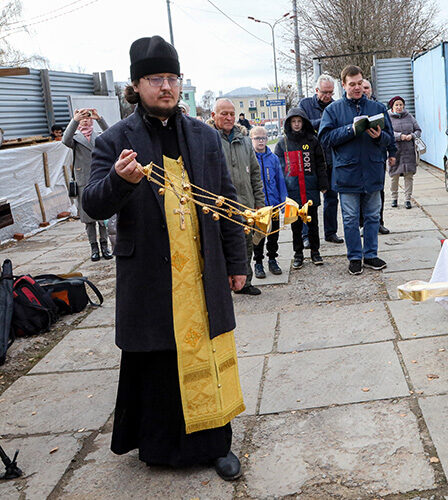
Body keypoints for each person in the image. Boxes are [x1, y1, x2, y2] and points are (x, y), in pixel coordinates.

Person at [82, 35, 245, 480]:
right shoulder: (115, 140)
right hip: (151, 276)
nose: (167, 86)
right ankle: (159, 447)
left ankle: (216, 445)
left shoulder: (205, 136)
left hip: (201, 270)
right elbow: (92, 205)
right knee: (159, 360)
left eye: (173, 78)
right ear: (137, 85)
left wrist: (237, 263)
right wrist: (119, 180)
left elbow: (226, 201)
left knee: (205, 355)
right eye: (157, 78)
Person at [319, 65, 397, 276]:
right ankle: (355, 257)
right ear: (343, 85)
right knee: (351, 218)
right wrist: (350, 130)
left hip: (372, 171)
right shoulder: (333, 111)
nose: (357, 88)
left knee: (373, 216)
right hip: (347, 174)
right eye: (351, 84)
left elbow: (391, 140)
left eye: (360, 83)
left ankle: (370, 254)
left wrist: (380, 137)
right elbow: (325, 139)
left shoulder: (377, 108)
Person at [209, 98, 266, 295]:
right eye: (223, 113)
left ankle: (245, 282)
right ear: (213, 115)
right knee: (221, 247)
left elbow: (256, 175)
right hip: (219, 208)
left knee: (246, 245)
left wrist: (259, 203)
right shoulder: (208, 140)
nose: (228, 117)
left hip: (245, 205)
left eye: (231, 114)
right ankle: (223, 285)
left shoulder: (244, 141)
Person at [274, 108, 328, 269]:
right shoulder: (282, 143)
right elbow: (279, 169)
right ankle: (298, 254)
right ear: (289, 123)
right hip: (292, 191)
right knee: (295, 225)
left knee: (313, 222)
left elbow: (320, 163)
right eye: (293, 122)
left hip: (310, 188)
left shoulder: (312, 140)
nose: (296, 124)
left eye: (299, 121)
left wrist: (323, 184)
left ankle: (315, 252)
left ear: (303, 123)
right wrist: (281, 190)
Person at [299, 74, 345, 244]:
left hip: (330, 157)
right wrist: (325, 120)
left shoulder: (335, 105)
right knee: (307, 199)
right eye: (325, 92)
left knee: (332, 197)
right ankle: (307, 235)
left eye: (331, 93)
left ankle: (330, 232)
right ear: (316, 90)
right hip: (309, 158)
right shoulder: (305, 104)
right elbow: (302, 126)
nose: (328, 96)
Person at [63, 107, 111, 261]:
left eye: (88, 116)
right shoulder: (75, 138)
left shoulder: (100, 137)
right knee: (88, 218)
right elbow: (65, 140)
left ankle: (105, 246)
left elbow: (112, 135)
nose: (85, 119)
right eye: (82, 117)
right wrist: (74, 120)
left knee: (103, 216)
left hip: (100, 178)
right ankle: (94, 247)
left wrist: (99, 118)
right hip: (83, 181)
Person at [250, 126, 286, 276]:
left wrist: (282, 201)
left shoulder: (273, 158)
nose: (261, 141)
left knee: (274, 233)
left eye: (264, 138)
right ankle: (258, 262)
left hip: (274, 204)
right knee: (258, 235)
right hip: (258, 206)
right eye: (257, 138)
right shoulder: (250, 159)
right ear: (251, 139)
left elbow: (280, 180)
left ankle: (272, 259)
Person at [360, 79, 390, 233]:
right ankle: (362, 224)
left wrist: (392, 153)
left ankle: (379, 222)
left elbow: (389, 133)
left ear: (371, 90)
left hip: (377, 157)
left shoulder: (379, 108)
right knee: (360, 193)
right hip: (359, 159)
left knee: (378, 191)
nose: (364, 90)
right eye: (362, 87)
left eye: (366, 88)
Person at [386, 96, 421, 210]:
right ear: (392, 106)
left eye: (401, 105)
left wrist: (412, 136)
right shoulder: (388, 117)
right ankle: (394, 198)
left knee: (409, 176)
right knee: (394, 176)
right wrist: (400, 136)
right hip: (395, 151)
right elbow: (387, 132)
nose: (399, 107)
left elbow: (418, 130)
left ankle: (407, 199)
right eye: (396, 105)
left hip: (409, 151)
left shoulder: (409, 116)